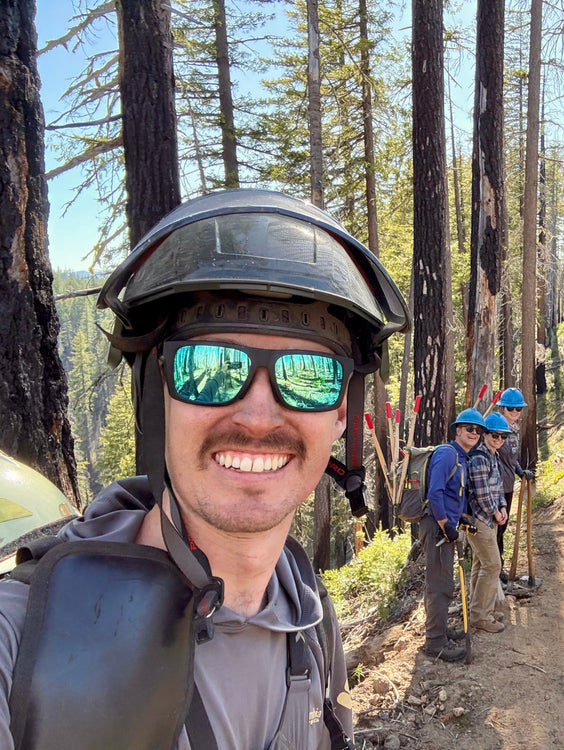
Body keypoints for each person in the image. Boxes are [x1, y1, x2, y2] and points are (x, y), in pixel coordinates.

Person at [0, 189, 409, 749]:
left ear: (341, 413)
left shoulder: (308, 613)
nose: (259, 417)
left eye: (309, 375)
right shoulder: (23, 636)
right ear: (155, 395)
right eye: (209, 368)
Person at [421, 408, 484, 661]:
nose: (474, 433)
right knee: (440, 585)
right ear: (458, 430)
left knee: (440, 582)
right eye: (469, 428)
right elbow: (435, 492)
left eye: (478, 430)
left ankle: (440, 629)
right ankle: (435, 642)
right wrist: (446, 524)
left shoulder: (461, 458)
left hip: (444, 527)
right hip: (436, 527)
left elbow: (452, 495)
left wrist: (462, 519)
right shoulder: (447, 454)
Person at [465, 412, 511, 633]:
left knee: (481, 564)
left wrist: (502, 507)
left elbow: (498, 488)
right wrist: (495, 512)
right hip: (477, 518)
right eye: (495, 435)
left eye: (503, 436)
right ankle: (480, 616)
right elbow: (482, 494)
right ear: (485, 434)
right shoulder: (479, 458)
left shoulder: (493, 456)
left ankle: (479, 609)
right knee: (492, 564)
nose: (499, 439)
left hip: (488, 517)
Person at [495, 387, 533, 580]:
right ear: (503, 408)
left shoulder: (515, 429)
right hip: (495, 487)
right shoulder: (496, 429)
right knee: (496, 528)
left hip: (508, 485)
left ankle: (498, 567)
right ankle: (495, 569)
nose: (515, 412)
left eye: (518, 408)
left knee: (502, 528)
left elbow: (512, 458)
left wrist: (520, 471)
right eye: (510, 408)